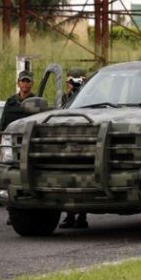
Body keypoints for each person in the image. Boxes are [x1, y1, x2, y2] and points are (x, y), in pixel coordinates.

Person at [0, 70, 37, 226]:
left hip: (28, 146)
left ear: (31, 84)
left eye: (28, 81)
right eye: (22, 81)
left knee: (25, 177)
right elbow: (3, 122)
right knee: (9, 177)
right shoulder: (11, 102)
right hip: (12, 146)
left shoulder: (36, 101)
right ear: (18, 83)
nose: (25, 84)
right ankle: (12, 211)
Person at [60, 67, 89, 229]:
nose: (73, 84)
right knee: (67, 180)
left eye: (77, 81)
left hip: (83, 142)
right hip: (66, 142)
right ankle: (69, 215)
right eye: (71, 81)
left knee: (82, 179)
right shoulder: (64, 98)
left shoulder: (90, 98)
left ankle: (82, 216)